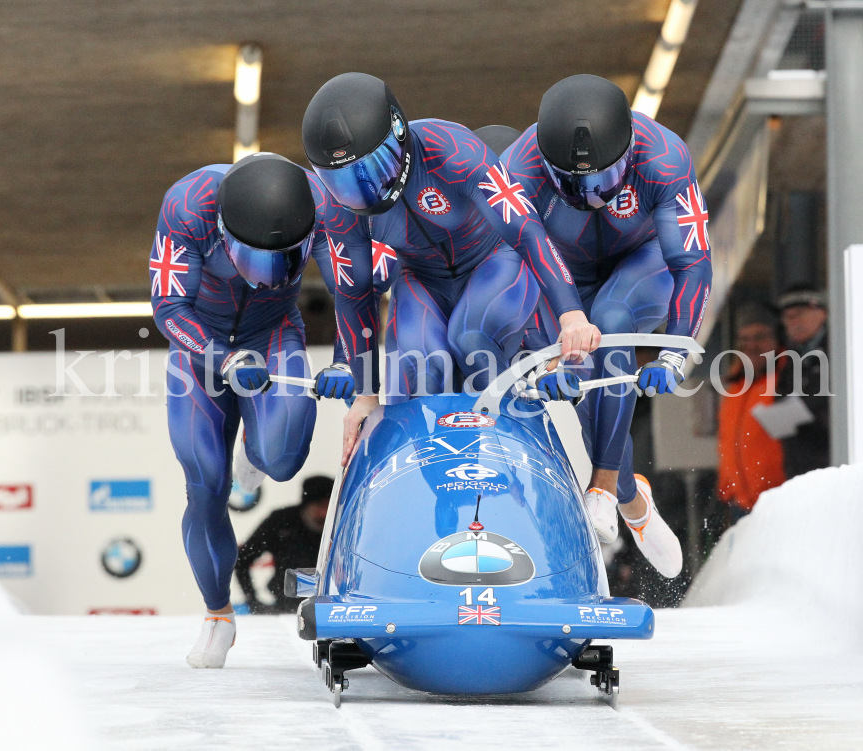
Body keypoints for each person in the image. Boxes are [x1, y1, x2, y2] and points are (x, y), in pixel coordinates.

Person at [302, 73, 603, 466]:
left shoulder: (454, 150)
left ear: (399, 134)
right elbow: (355, 293)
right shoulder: (341, 210)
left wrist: (571, 314)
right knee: (423, 367)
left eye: (373, 169)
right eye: (340, 181)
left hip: (493, 263)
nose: (363, 191)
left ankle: (505, 455)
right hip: (421, 277)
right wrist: (365, 394)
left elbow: (528, 233)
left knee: (471, 338)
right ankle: (441, 480)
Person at [502, 75, 713, 578]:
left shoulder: (664, 157)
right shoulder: (519, 165)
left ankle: (600, 488)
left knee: (613, 322)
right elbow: (512, 261)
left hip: (641, 264)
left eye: (601, 180)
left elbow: (693, 263)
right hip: (561, 274)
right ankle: (631, 498)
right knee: (581, 399)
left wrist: (675, 352)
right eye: (574, 183)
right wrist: (549, 353)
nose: (590, 195)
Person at [151, 153, 352, 670]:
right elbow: (170, 307)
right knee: (206, 482)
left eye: (284, 260)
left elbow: (351, 287)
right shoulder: (187, 205)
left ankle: (254, 455)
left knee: (282, 459)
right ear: (223, 230)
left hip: (274, 331)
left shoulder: (323, 202)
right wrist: (220, 357)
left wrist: (349, 362)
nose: (270, 275)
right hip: (203, 343)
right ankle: (218, 615)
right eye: (257, 260)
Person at [716, 302, 786, 519]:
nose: (751, 345)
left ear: (777, 339)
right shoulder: (735, 386)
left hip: (780, 501)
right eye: (744, 339)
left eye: (760, 336)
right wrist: (727, 486)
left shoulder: (788, 379)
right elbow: (727, 439)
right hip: (741, 505)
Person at [234, 476, 333, 614]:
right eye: (319, 506)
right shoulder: (281, 521)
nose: (323, 513)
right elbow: (242, 559)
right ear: (306, 504)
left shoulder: (340, 526)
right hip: (286, 608)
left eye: (328, 506)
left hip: (333, 608)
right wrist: (253, 601)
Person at [775, 285, 829, 479]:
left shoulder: (842, 354)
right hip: (799, 473)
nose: (793, 322)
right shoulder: (790, 361)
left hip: (832, 469)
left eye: (799, 314)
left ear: (822, 313)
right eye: (787, 317)